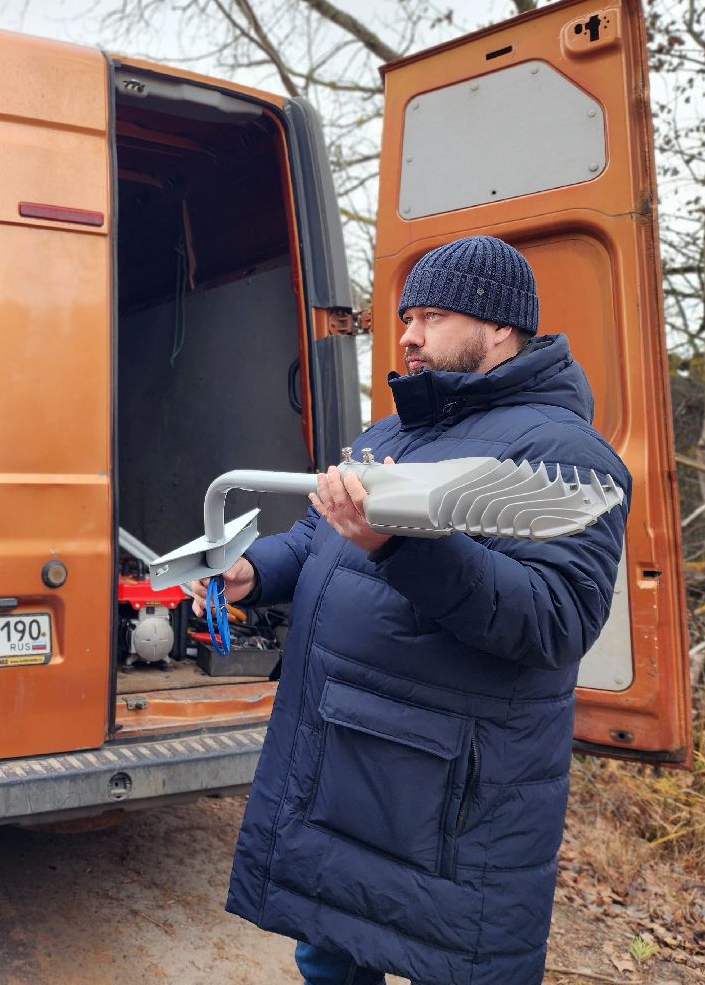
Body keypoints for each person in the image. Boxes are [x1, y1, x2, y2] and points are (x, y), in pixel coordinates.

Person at [198, 235, 630, 985]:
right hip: (340, 766)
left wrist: (401, 546)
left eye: (432, 316)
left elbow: (554, 619)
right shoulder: (392, 433)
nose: (408, 335)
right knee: (329, 956)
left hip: (447, 803)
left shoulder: (565, 452)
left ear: (499, 326)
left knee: (441, 960)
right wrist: (252, 572)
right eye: (406, 318)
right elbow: (318, 536)